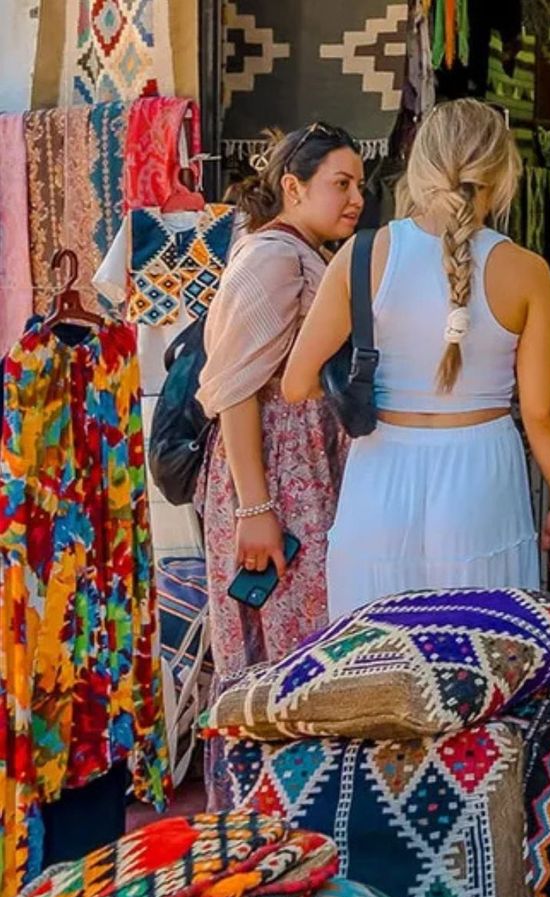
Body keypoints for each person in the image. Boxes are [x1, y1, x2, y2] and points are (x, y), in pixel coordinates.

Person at [283, 99, 550, 619]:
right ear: (503, 171)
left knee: (375, 666)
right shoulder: (527, 271)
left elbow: (297, 382)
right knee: (479, 658)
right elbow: (540, 411)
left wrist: (365, 392)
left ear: (419, 166)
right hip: (482, 477)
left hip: (379, 473)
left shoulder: (362, 255)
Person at [196, 122, 363, 676]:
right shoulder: (272, 257)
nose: (356, 199)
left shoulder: (303, 253)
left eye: (360, 186)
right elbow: (236, 390)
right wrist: (256, 508)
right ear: (294, 187)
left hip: (301, 469)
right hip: (276, 475)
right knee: (289, 648)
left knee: (312, 637)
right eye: (341, 184)